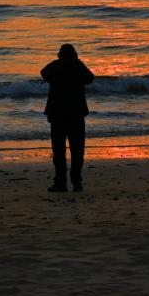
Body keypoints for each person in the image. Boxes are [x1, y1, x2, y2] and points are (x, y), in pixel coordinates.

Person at [41, 43, 94, 193]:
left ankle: (61, 183)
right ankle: (76, 182)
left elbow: (43, 72)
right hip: (76, 114)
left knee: (59, 152)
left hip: (57, 114)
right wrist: (78, 62)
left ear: (60, 55)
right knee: (77, 151)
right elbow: (90, 77)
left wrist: (57, 61)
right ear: (75, 55)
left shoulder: (55, 67)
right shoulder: (78, 67)